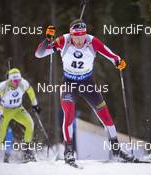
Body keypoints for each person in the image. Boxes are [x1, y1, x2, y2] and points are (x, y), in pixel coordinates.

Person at [35, 19, 138, 165]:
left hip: (87, 83)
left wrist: (118, 61)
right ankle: (69, 151)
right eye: (76, 37)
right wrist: (47, 40)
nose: (79, 40)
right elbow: (39, 54)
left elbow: (109, 53)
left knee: (106, 115)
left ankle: (116, 150)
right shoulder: (64, 40)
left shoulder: (92, 41)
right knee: (69, 113)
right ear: (71, 35)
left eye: (82, 36)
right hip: (68, 84)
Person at [0, 68, 41, 163]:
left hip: (18, 109)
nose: (17, 82)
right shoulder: (3, 86)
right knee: (1, 136)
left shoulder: (23, 83)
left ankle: (27, 153)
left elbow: (30, 91)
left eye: (19, 80)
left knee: (30, 123)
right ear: (10, 80)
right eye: (15, 81)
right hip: (5, 111)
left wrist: (35, 104)